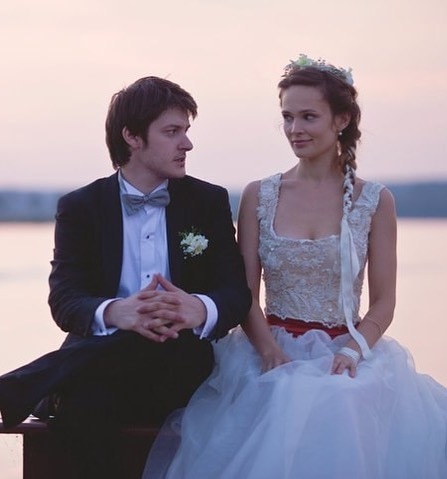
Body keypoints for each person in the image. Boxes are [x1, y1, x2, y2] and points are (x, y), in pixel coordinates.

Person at [142, 56, 447, 479]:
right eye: (287, 117)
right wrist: (270, 352)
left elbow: (384, 302)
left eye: (308, 117)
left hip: (349, 347)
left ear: (341, 119)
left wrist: (352, 351)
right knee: (280, 399)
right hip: (268, 346)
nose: (294, 129)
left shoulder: (375, 201)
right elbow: (243, 292)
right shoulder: (260, 195)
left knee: (344, 401)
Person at [0, 76, 252, 478]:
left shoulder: (207, 201)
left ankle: (0, 392)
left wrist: (197, 309)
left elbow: (236, 293)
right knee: (83, 406)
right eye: (172, 132)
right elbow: (65, 300)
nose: (187, 144)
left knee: (144, 349)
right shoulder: (81, 206)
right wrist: (117, 313)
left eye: (186, 131)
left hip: (182, 362)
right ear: (132, 137)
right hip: (102, 368)